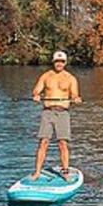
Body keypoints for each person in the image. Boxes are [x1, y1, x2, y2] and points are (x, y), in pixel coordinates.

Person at [31, 50, 81, 179]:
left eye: (62, 61)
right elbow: (37, 90)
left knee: (63, 143)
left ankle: (65, 172)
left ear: (65, 63)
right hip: (47, 112)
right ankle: (37, 172)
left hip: (63, 113)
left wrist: (76, 98)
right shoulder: (46, 76)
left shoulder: (70, 78)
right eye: (57, 61)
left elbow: (74, 94)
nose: (59, 64)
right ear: (53, 62)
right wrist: (36, 95)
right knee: (43, 142)